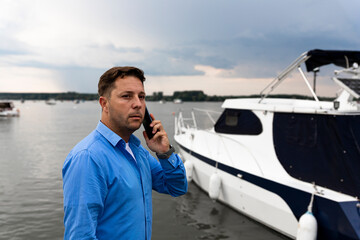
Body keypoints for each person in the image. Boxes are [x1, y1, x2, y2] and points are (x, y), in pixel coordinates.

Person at [62, 66, 188, 240]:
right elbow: (80, 236)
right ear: (104, 104)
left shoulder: (138, 151)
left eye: (141, 97)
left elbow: (177, 187)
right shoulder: (88, 157)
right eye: (126, 96)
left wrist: (165, 153)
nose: (138, 104)